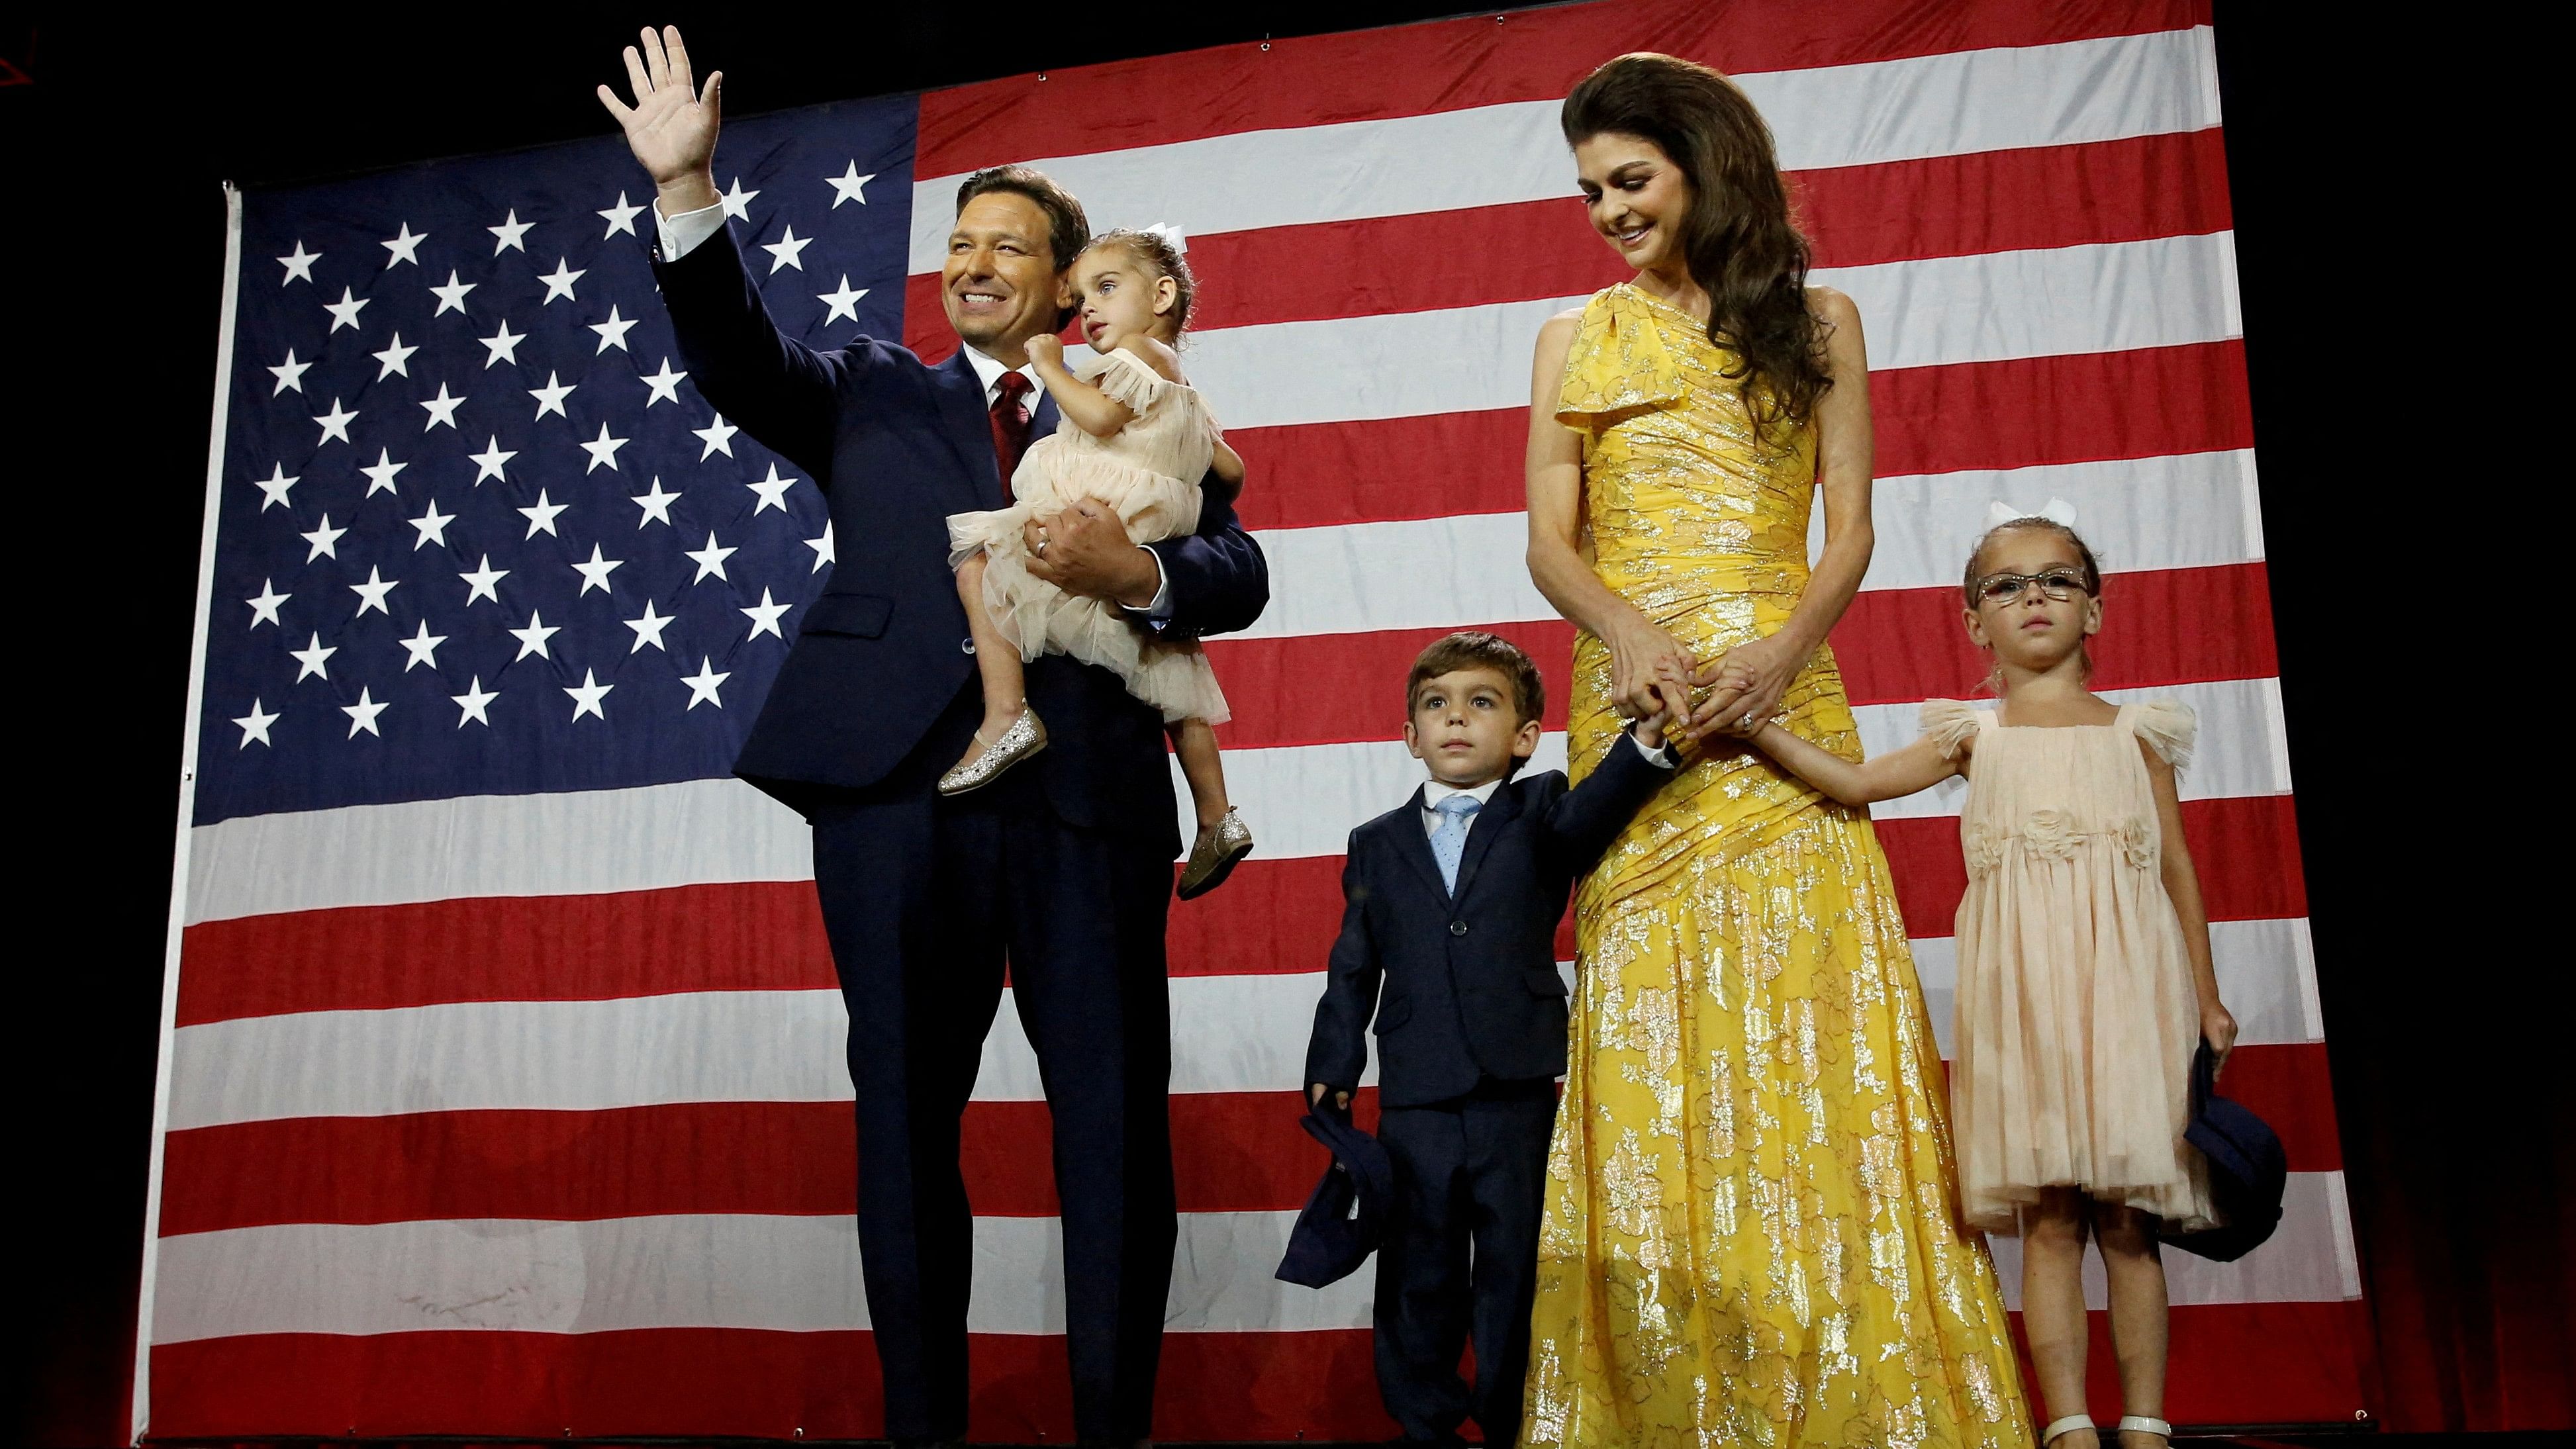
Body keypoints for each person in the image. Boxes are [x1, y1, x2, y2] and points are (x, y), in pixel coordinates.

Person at [595, 28, 1269, 1449]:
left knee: (1110, 1131)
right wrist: (686, 194)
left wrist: (1139, 575)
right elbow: (733, 355)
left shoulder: (1138, 414)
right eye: (958, 242)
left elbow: (1241, 568)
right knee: (902, 1120)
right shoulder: (864, 387)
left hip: (1084, 799)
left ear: (1064, 281)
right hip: (899, 800)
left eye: (1007, 246)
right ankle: (922, 1430)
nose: (970, 262)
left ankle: (1110, 1428)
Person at [1516, 54, 2032, 1445]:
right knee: (1647, 1031)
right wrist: (1626, 634)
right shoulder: (1573, 338)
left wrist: (1778, 656)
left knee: (1818, 1021)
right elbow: (1546, 543)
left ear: (1705, 166)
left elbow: (1850, 530)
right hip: (1634, 716)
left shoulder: (1824, 320)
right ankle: (1663, 1400)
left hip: (1784, 704)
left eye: (1630, 180)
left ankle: (1856, 1390)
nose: (1606, 209)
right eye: (1588, 190)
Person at [1737, 512, 2236, 1449]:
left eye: (2054, 579)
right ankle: (2069, 1425)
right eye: (2005, 586)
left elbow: (2174, 869)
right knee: (2049, 1218)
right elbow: (1855, 784)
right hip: (2024, 999)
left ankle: (2143, 1422)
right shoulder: (1976, 734)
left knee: (2127, 1221)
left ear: (2094, 606)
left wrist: (2204, 996)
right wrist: (1757, 729)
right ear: (1974, 623)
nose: (2032, 597)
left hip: (2131, 992)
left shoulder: (2138, 733)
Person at [1302, 631, 1677, 1449]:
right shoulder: (1376, 839)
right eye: (1436, 705)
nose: (1457, 719)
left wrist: (1644, 738)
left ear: (1524, 734)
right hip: (1417, 1094)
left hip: (1516, 1086)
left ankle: (1513, 1421)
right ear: (1410, 737)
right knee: (1417, 1270)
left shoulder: (1542, 807)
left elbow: (1598, 808)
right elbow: (1352, 963)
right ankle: (1426, 1423)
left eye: (1482, 703)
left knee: (1515, 1271)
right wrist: (1334, 1065)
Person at [943, 228, 1255, 898]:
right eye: (1082, 298)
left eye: (1106, 289)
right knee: (1174, 676)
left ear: (1162, 294)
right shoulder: (1183, 385)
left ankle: (1005, 714)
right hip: (1144, 519)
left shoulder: (1132, 357)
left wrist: (1054, 366)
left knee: (977, 559)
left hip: (1096, 520)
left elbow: (1101, 417)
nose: (1087, 311)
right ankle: (1217, 815)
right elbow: (1228, 469)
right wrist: (1175, 477)